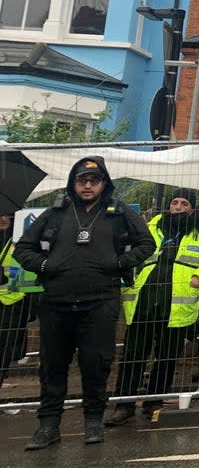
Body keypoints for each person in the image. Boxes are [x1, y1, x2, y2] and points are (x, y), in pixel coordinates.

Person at [14, 156, 155, 450]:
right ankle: (48, 426)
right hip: (56, 301)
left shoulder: (119, 213)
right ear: (73, 183)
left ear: (104, 184)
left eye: (94, 180)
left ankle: (93, 421)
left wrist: (119, 263)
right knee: (52, 366)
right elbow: (23, 248)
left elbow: (147, 244)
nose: (88, 186)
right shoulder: (56, 212)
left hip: (101, 301)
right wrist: (44, 266)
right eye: (82, 181)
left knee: (96, 363)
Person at [105, 189, 199, 426]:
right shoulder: (150, 227)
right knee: (133, 356)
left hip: (176, 306)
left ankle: (153, 403)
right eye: (174, 202)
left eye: (184, 203)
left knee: (166, 358)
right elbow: (127, 248)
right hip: (145, 300)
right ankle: (124, 405)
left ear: (192, 209)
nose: (178, 207)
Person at [1, 213, 39, 389]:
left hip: (14, 306)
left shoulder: (20, 239)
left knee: (4, 355)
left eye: (6, 215)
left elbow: (29, 272)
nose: (2, 218)